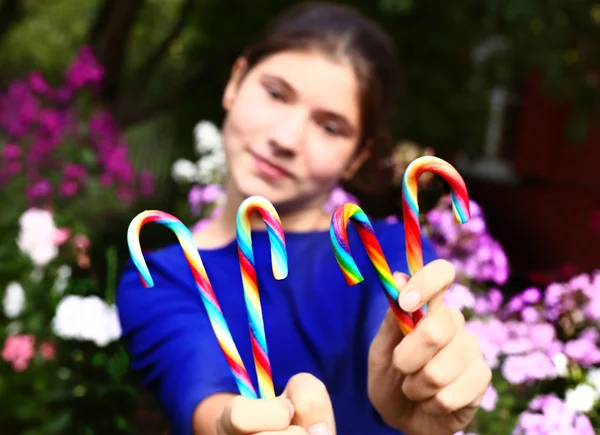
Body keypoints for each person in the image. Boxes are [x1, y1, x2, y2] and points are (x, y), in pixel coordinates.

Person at [116, 2, 492, 435]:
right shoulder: (164, 276)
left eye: (330, 127)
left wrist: (426, 380)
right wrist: (231, 427)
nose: (286, 139)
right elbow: (201, 395)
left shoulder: (384, 251)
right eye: (276, 94)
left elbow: (399, 334)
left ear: (358, 158)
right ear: (235, 82)